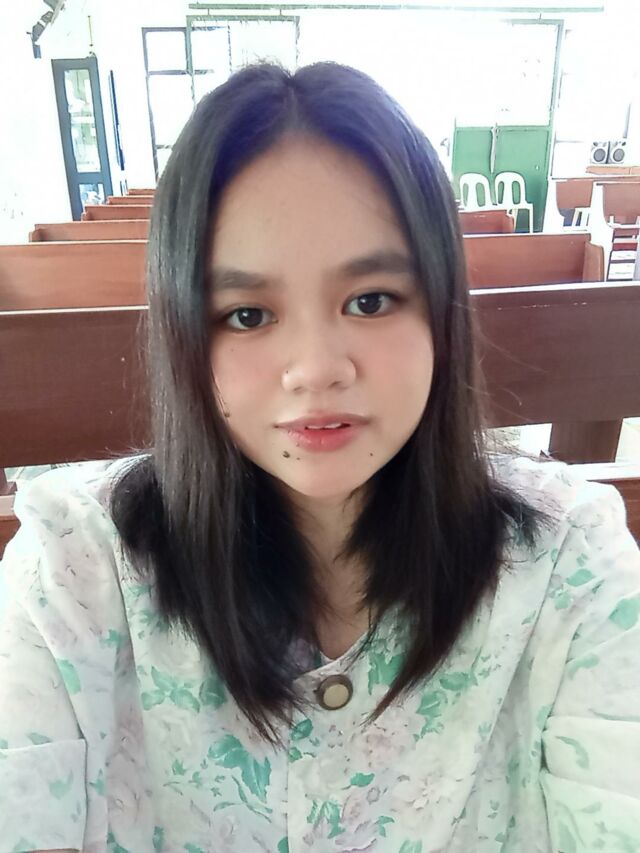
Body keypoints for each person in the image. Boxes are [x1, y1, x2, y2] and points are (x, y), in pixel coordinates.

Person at [1, 62, 639, 853]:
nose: (315, 368)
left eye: (370, 300)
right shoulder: (72, 578)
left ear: (441, 310)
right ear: (183, 332)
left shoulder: (570, 566)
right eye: (247, 314)